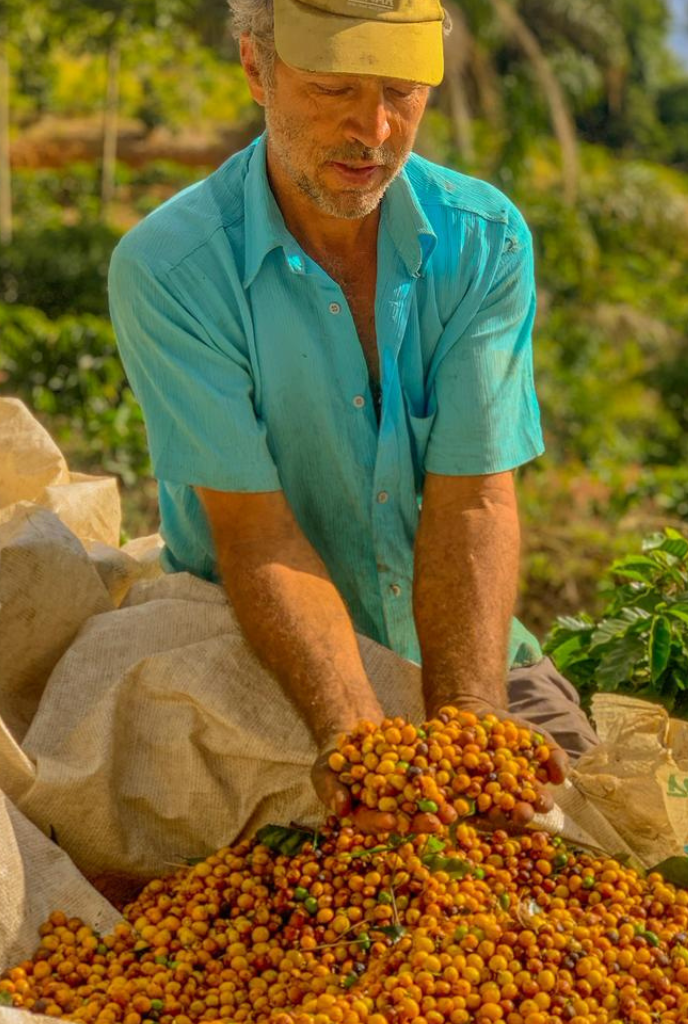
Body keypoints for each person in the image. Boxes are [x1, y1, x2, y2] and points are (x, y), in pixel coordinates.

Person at [107, 0, 598, 832]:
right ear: (257, 69)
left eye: (402, 92)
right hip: (261, 656)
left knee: (585, 860)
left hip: (466, 655)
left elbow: (473, 498)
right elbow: (256, 534)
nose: (372, 129)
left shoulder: (485, 243)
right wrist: (356, 738)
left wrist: (473, 723)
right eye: (332, 87)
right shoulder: (173, 269)